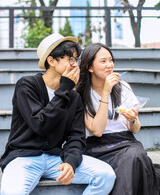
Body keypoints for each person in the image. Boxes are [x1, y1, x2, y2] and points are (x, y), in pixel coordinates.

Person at [0, 34, 116, 195]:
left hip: (56, 159)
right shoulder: (27, 85)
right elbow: (40, 124)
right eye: (69, 59)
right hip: (23, 158)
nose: (74, 65)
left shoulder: (73, 96)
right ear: (52, 61)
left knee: (106, 175)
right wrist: (64, 88)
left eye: (76, 59)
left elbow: (76, 137)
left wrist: (71, 162)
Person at [76, 42, 160, 195]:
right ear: (90, 67)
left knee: (135, 156)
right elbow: (97, 130)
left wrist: (133, 119)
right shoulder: (81, 93)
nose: (110, 65)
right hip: (97, 146)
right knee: (132, 159)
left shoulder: (123, 88)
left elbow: (135, 128)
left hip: (126, 141)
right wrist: (106, 92)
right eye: (103, 61)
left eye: (111, 60)